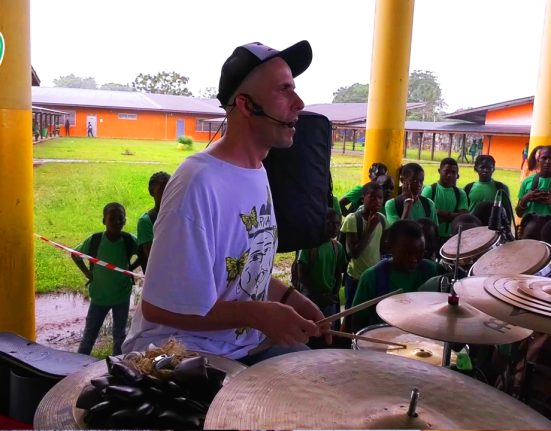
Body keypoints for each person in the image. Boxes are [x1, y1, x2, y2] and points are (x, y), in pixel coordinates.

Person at [123, 40, 330, 364]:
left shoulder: (257, 170)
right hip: (182, 359)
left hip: (240, 349)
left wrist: (290, 298)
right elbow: (160, 305)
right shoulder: (198, 183)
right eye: (284, 90)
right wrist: (259, 315)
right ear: (247, 106)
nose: (299, 103)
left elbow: (239, 270)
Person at [350, 220, 444, 332]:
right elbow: (358, 323)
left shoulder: (433, 270)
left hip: (424, 340)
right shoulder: (372, 277)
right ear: (388, 247)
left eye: (420, 252)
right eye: (407, 253)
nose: (414, 259)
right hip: (384, 341)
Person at [72, 203, 138, 355]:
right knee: (89, 336)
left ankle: (117, 368)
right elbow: (75, 254)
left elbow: (143, 251)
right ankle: (76, 367)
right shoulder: (95, 240)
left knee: (119, 335)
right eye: (112, 219)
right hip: (99, 297)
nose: (116, 222)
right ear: (104, 221)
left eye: (120, 219)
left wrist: (131, 269)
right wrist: (87, 273)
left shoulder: (129, 240)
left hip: (122, 296)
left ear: (125, 220)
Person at [340, 182, 388, 310]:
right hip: (356, 277)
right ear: (363, 198)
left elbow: (383, 249)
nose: (377, 201)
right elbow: (354, 253)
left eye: (380, 198)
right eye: (372, 197)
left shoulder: (382, 220)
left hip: (373, 276)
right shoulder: (353, 219)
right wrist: (369, 229)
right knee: (351, 313)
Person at [297, 209, 346, 326]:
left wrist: (334, 294)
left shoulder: (337, 247)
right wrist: (317, 296)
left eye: (338, 224)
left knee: (328, 330)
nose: (335, 227)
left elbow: (338, 273)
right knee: (310, 331)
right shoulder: (308, 246)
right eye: (330, 223)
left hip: (329, 299)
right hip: (311, 297)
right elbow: (302, 275)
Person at [421, 158, 468, 243]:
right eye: (446, 171)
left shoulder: (460, 193)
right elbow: (424, 214)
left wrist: (439, 213)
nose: (449, 175)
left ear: (457, 175)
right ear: (439, 171)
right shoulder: (430, 190)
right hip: (431, 236)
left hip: (452, 237)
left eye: (453, 172)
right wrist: (452, 217)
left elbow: (463, 216)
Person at [137, 171, 171, 273]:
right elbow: (152, 257)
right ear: (152, 192)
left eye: (170, 189)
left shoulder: (178, 216)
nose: (167, 193)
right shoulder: (146, 221)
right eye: (162, 190)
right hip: (159, 275)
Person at [464, 155, 512, 220]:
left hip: (493, 226)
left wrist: (507, 228)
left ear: (493, 169)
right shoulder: (468, 188)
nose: (486, 170)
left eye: (489, 168)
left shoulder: (501, 188)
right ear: (476, 168)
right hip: (473, 225)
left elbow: (508, 211)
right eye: (482, 167)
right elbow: (464, 211)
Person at [516, 146, 551, 217]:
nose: (548, 161)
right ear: (538, 160)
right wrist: (526, 198)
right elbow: (519, 213)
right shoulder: (527, 181)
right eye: (544, 158)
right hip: (529, 226)